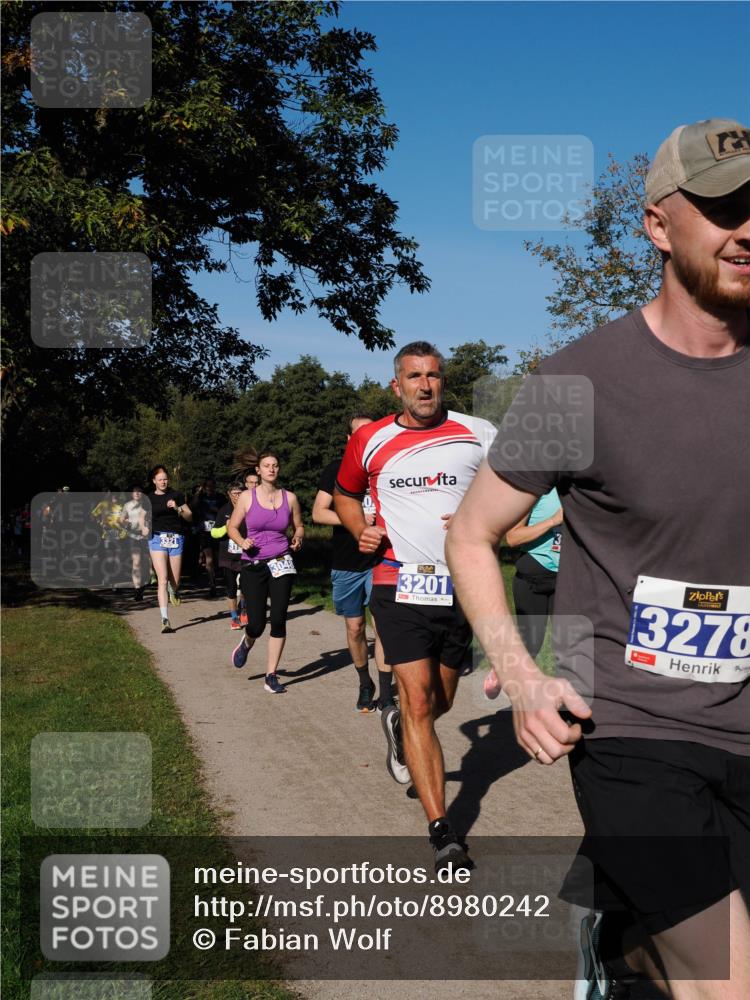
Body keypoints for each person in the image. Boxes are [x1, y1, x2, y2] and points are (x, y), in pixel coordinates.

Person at [446, 118, 750, 999]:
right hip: (630, 726)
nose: (747, 229)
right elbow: (470, 535)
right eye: (724, 207)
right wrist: (525, 674)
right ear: (658, 224)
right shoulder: (575, 385)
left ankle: (619, 937)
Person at [334, 341, 495, 872]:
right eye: (414, 376)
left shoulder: (479, 433)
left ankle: (399, 726)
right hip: (396, 584)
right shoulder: (370, 438)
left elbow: (517, 488)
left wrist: (481, 515)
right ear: (395, 385)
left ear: (442, 382)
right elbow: (344, 494)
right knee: (421, 704)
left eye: (434, 376)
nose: (425, 385)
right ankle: (442, 831)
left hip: (461, 588)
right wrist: (360, 530)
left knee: (440, 701)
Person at [313, 414, 393, 713]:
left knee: (383, 626)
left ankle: (386, 694)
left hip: (382, 560)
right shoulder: (335, 470)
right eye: (360, 434)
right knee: (355, 627)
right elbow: (319, 513)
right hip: (347, 562)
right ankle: (365, 682)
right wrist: (354, 520)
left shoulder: (387, 467)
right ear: (349, 440)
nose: (367, 438)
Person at [227, 452, 304, 693]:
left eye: (275, 465)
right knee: (258, 624)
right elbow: (232, 527)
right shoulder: (247, 498)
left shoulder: (289, 498)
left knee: (279, 618)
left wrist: (299, 535)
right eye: (266, 466)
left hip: (282, 561)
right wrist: (242, 541)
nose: (271, 469)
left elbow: (299, 525)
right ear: (258, 471)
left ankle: (271, 675)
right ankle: (248, 642)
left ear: (279, 469)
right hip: (254, 564)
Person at [484, 488, 562, 698]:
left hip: (566, 577)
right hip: (532, 576)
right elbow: (512, 537)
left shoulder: (580, 494)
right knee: (531, 644)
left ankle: (564, 710)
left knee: (565, 646)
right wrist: (554, 521)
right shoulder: (539, 492)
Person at [146, 465, 192, 633]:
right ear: (154, 481)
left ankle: (175, 590)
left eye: (165, 479)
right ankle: (165, 619)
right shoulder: (149, 498)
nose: (163, 482)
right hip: (156, 538)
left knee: (174, 581)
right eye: (160, 479)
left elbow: (189, 516)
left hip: (176, 539)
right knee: (162, 579)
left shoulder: (176, 495)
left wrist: (178, 508)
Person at [210, 481, 247, 630]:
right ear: (229, 494)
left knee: (246, 585)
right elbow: (214, 533)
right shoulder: (224, 510)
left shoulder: (248, 508)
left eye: (240, 493)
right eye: (234, 493)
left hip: (245, 554)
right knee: (231, 588)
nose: (237, 496)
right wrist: (226, 527)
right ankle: (234, 617)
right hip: (227, 554)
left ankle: (244, 609)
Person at [190, 477, 226, 598]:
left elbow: (226, 510)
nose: (210, 488)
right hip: (204, 531)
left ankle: (220, 578)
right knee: (209, 558)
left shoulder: (220, 497)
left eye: (212, 485)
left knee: (217, 558)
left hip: (218, 530)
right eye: (207, 486)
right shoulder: (200, 497)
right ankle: (212, 584)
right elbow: (193, 506)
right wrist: (198, 492)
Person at [120, 485, 150, 601]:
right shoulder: (127, 505)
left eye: (139, 492)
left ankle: (145, 583)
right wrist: (125, 522)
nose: (137, 494)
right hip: (133, 536)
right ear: (132, 494)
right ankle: (137, 590)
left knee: (147, 563)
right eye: (135, 492)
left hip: (146, 536)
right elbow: (121, 518)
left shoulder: (147, 504)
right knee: (136, 562)